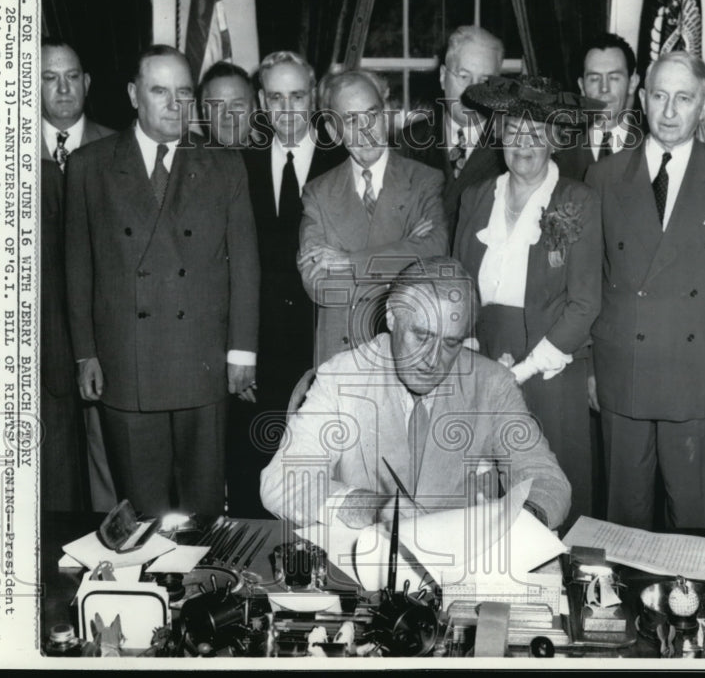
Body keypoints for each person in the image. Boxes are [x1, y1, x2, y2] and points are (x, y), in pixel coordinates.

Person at [65, 45, 260, 516]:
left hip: (204, 362)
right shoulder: (90, 165)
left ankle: (204, 589)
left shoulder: (224, 164)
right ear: (134, 94)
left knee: (205, 510)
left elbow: (245, 264)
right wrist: (85, 352)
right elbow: (78, 267)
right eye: (159, 91)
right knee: (143, 512)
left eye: (184, 92)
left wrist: (242, 352)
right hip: (125, 362)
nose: (175, 104)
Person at [585, 51, 705, 530]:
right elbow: (591, 280)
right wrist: (590, 368)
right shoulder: (603, 176)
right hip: (623, 372)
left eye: (683, 98)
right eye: (659, 96)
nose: (668, 111)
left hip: (699, 378)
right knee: (622, 526)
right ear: (642, 99)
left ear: (704, 104)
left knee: (698, 522)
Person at [260, 257, 571, 530]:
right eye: (421, 335)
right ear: (392, 317)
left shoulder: (492, 383)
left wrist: (517, 523)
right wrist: (371, 508)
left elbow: (547, 479)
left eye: (451, 343)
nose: (432, 360)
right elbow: (280, 482)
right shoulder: (343, 376)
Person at [453, 75, 602, 532]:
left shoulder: (578, 200)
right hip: (483, 354)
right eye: (515, 131)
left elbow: (585, 303)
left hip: (549, 363)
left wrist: (521, 370)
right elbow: (459, 284)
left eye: (538, 133)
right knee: (486, 488)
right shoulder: (477, 197)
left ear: (555, 140)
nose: (525, 144)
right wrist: (474, 350)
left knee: (550, 489)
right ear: (499, 136)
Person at [224, 51, 346, 517]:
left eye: (298, 95)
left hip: (323, 351)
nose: (288, 108)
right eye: (276, 97)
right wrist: (239, 351)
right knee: (254, 481)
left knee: (321, 488)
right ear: (261, 100)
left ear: (313, 96)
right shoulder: (240, 161)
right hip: (256, 354)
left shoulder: (342, 160)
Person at [298, 69, 447, 366]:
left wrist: (348, 260)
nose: (366, 130)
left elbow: (435, 255)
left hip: (406, 360)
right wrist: (406, 249)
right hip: (341, 363)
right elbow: (322, 287)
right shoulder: (317, 193)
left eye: (373, 114)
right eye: (351, 120)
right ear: (332, 130)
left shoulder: (424, 180)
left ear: (388, 113)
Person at [39, 38, 115, 512]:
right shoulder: (5, 158)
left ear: (87, 83)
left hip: (107, 340)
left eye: (71, 76)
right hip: (43, 342)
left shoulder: (118, 149)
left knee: (110, 464)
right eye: (49, 77)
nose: (62, 88)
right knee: (55, 469)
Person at [398, 26, 506, 241]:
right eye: (463, 76)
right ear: (442, 77)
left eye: (485, 81)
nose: (472, 92)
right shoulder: (407, 143)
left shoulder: (514, 145)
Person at [555, 33, 642, 181]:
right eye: (594, 79)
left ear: (632, 83)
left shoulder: (653, 152)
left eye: (614, 77)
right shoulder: (559, 158)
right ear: (582, 86)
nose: (604, 89)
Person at [197, 61, 257, 147]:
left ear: (254, 108)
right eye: (217, 106)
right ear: (204, 112)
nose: (228, 114)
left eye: (237, 105)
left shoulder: (274, 159)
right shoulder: (186, 159)